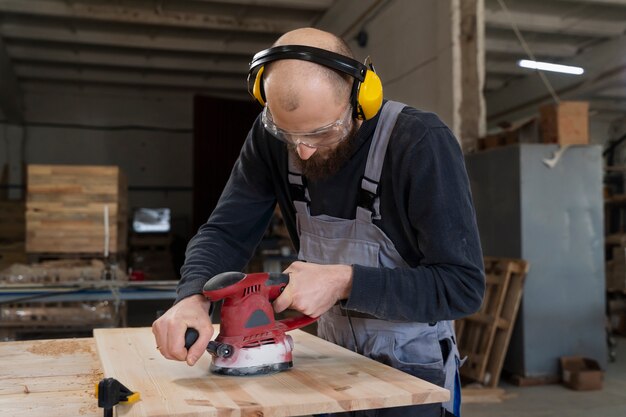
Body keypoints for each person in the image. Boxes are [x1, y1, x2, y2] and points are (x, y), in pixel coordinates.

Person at [152, 27, 485, 417]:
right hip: (333, 357)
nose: (304, 151)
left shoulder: (419, 143)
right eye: (288, 134)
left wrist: (342, 280)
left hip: (414, 367)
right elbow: (226, 233)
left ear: (362, 98)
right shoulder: (269, 138)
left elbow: (461, 287)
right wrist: (193, 296)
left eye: (322, 133)